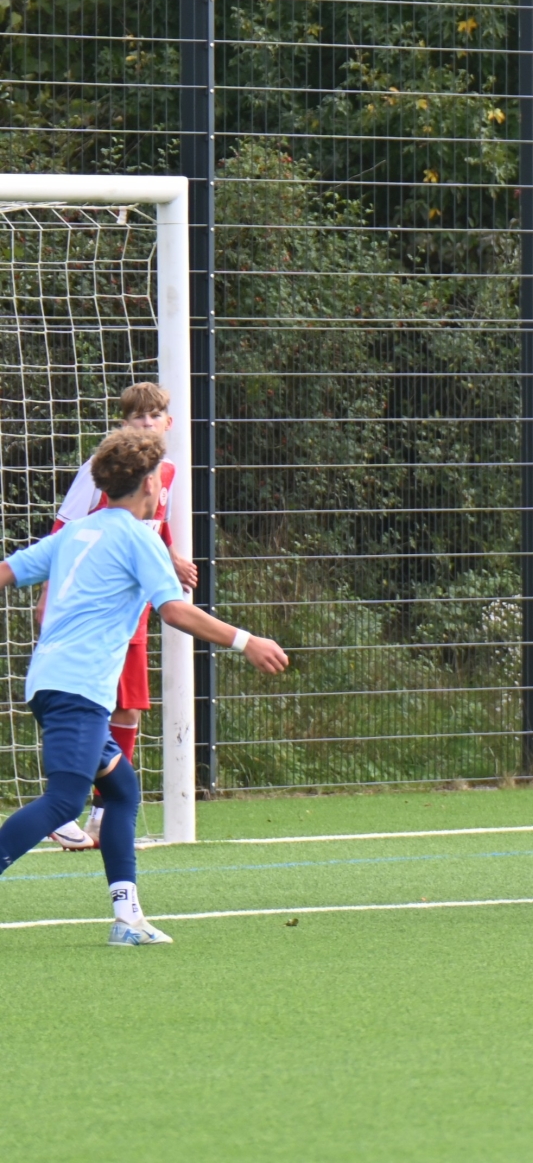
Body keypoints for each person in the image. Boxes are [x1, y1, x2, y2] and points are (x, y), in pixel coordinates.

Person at [0, 429, 287, 944]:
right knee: (64, 803)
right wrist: (246, 640)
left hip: (50, 683)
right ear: (151, 484)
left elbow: (7, 571)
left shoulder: (77, 533)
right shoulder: (139, 538)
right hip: (78, 688)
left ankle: (128, 918)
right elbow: (174, 610)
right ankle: (125, 919)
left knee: (121, 789)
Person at [45, 382, 197, 851]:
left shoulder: (167, 473)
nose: (147, 423)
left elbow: (154, 527)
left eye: (154, 416)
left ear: (169, 423)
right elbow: (63, 529)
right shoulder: (100, 471)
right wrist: (49, 594)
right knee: (82, 700)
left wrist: (172, 556)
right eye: (137, 417)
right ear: (123, 424)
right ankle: (62, 806)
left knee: (127, 706)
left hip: (134, 609)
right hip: (92, 603)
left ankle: (101, 813)